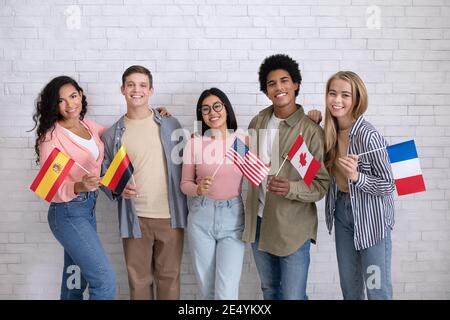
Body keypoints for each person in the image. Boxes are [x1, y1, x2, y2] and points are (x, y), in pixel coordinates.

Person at [243, 54, 331, 300]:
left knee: (293, 296)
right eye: (272, 83)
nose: (279, 87)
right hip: (259, 222)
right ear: (266, 90)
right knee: (270, 290)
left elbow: (320, 185)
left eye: (284, 80)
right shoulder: (258, 121)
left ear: (296, 85)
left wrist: (290, 187)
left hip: (293, 228)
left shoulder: (310, 131)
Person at [101, 65, 188, 300]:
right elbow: (104, 176)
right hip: (135, 219)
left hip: (171, 217)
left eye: (142, 85)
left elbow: (187, 165)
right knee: (138, 282)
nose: (136, 90)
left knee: (169, 279)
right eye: (131, 84)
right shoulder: (112, 135)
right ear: (122, 89)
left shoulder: (171, 124)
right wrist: (117, 188)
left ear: (151, 90)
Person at [312, 71, 395, 299]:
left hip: (372, 220)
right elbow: (312, 163)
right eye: (332, 93)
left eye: (345, 95)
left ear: (356, 100)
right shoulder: (328, 133)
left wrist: (358, 177)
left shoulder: (368, 136)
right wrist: (312, 124)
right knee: (350, 289)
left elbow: (389, 184)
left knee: (376, 289)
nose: (337, 100)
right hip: (342, 213)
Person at [31, 76, 116, 300]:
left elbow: (116, 134)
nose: (70, 104)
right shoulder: (51, 138)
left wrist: (155, 115)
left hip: (87, 209)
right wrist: (79, 185)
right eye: (61, 101)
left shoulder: (88, 126)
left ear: (81, 95)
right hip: (67, 213)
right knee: (105, 281)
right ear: (54, 105)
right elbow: (50, 186)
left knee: (75, 280)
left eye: (73, 96)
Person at [180, 88, 245, 300]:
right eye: (205, 109)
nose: (212, 112)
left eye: (217, 106)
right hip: (202, 216)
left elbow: (257, 174)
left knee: (226, 291)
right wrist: (197, 189)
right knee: (206, 289)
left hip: (233, 217)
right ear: (201, 115)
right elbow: (185, 184)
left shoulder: (241, 142)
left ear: (226, 109)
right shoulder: (195, 143)